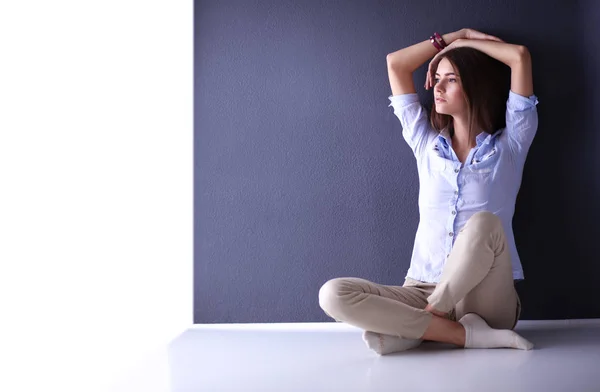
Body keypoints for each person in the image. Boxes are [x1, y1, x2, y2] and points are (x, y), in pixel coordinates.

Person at [318, 28, 539, 355]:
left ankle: (422, 325)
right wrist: (450, 38)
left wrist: (464, 43)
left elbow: (519, 56)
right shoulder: (426, 144)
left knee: (484, 224)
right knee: (333, 294)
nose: (437, 85)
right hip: (421, 286)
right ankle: (460, 335)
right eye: (436, 77)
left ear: (474, 85)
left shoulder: (511, 146)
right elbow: (395, 65)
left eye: (451, 78)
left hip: (484, 296)